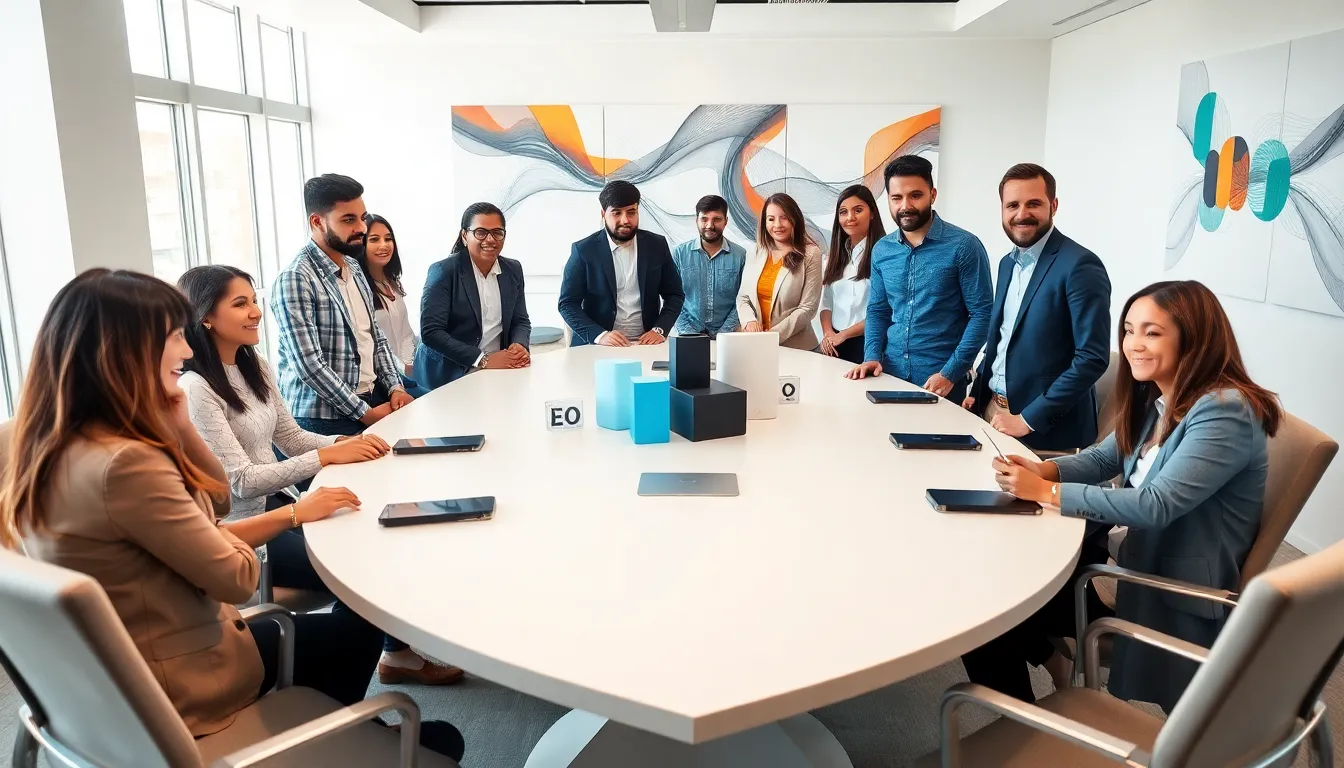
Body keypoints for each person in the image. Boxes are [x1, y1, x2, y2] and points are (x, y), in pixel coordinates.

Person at [0, 270, 465, 761]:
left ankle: (341, 730)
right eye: (173, 337)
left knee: (341, 634)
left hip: (115, 683)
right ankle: (336, 736)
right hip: (186, 677)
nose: (185, 350)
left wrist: (181, 428)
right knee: (435, 731)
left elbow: (218, 505)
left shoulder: (45, 447)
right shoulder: (127, 465)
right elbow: (238, 576)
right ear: (127, 351)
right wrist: (267, 510)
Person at [965, 280, 1281, 714]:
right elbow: (1102, 458)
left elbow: (1155, 505)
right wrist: (1046, 470)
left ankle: (1024, 725)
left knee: (986, 610)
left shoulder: (1225, 411)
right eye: (1129, 330)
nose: (1134, 344)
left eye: (1152, 332)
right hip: (1123, 557)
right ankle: (1037, 696)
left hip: (1161, 586)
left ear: (1194, 338)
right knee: (991, 586)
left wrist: (1048, 492)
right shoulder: (1162, 399)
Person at [963, 164, 1111, 453]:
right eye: (1012, 205)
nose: (1021, 214)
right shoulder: (1007, 263)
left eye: (1033, 204)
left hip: (1043, 429)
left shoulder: (1080, 265)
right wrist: (978, 392)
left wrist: (1028, 419)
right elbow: (1003, 339)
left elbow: (1092, 358)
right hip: (993, 411)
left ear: (1053, 206)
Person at [271, 174, 412, 437]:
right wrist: (365, 413)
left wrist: (396, 387)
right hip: (323, 418)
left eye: (362, 218)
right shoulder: (296, 278)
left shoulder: (354, 267)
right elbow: (309, 365)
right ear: (317, 222)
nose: (361, 228)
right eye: (349, 220)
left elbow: (375, 337)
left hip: (371, 399)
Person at [845, 156, 993, 403]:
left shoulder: (964, 246)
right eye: (897, 198)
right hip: (889, 375)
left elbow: (982, 314)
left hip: (941, 381)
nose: (906, 206)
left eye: (915, 195)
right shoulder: (882, 250)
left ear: (932, 195)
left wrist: (950, 373)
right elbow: (878, 310)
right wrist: (871, 356)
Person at [414, 202, 532, 389]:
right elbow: (431, 332)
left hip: (496, 370)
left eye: (497, 232)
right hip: (449, 373)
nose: (490, 239)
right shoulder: (443, 271)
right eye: (481, 232)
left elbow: (520, 320)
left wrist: (519, 345)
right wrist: (482, 359)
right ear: (464, 236)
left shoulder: (513, 269)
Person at [558, 180, 685, 346]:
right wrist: (600, 335)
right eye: (616, 213)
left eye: (631, 212)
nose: (625, 220)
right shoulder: (583, 250)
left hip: (646, 343)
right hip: (599, 343)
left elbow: (674, 294)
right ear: (603, 214)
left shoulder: (657, 245)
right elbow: (567, 304)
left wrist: (659, 329)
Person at [736, 192, 823, 350]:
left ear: (795, 219)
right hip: (757, 345)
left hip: (797, 348)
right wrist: (749, 321)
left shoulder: (811, 254)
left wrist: (771, 336)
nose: (777, 225)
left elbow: (807, 308)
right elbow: (743, 297)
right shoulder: (755, 251)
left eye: (784, 218)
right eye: (771, 219)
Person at [354, 213, 427, 397]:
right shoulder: (356, 288)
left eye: (388, 239)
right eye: (374, 239)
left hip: (406, 372)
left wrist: (408, 364)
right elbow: (371, 344)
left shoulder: (392, 282)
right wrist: (399, 369)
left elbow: (405, 333)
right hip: (381, 379)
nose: (384, 245)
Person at [820, 185, 884, 364]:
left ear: (872, 213)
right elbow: (826, 303)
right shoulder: (834, 256)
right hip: (834, 344)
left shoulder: (883, 254)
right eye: (843, 212)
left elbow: (884, 311)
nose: (850, 217)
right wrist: (828, 334)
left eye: (858, 210)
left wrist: (844, 334)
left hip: (867, 344)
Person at [671, 194, 746, 338]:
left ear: (726, 221)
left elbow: (742, 297)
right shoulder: (679, 254)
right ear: (696, 220)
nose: (710, 225)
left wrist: (724, 334)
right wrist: (689, 333)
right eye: (704, 219)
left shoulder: (740, 256)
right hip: (686, 334)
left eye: (716, 219)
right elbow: (672, 297)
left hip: (729, 336)